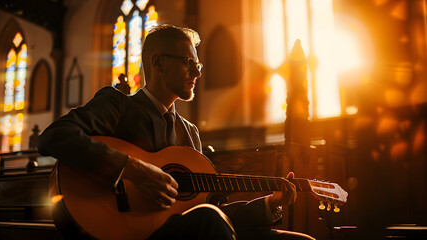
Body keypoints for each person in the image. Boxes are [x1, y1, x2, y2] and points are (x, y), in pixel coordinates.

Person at [38, 24, 314, 240]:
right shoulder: (119, 105)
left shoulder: (190, 133)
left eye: (199, 66)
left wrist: (269, 203)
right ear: (158, 63)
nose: (197, 73)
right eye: (189, 64)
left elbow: (214, 212)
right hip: (127, 230)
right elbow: (55, 136)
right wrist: (132, 168)